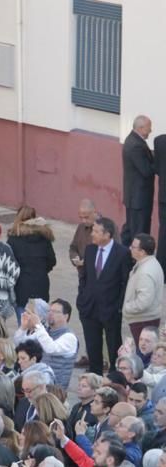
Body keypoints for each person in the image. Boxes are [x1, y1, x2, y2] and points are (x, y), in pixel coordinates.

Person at [77, 216, 131, 376]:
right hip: (89, 308)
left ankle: (115, 376)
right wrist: (82, 298)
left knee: (114, 345)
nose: (92, 234)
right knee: (93, 346)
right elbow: (85, 276)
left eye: (96, 231)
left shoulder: (122, 253)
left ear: (107, 235)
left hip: (111, 309)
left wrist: (118, 306)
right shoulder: (90, 250)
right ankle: (95, 376)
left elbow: (124, 282)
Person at [13, 298, 79, 390]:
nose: (51, 314)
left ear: (66, 316)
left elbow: (50, 348)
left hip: (55, 391)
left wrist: (38, 325)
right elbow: (21, 345)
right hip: (38, 385)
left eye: (55, 312)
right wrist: (23, 328)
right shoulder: (44, 332)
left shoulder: (69, 337)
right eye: (49, 311)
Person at [7, 206, 56, 317]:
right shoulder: (44, 238)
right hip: (41, 284)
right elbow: (52, 260)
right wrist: (42, 270)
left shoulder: (14, 239)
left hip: (21, 286)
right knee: (40, 324)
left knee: (23, 325)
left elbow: (9, 264)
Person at [123, 233, 164, 345]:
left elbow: (143, 302)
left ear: (142, 252)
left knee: (143, 355)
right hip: (147, 319)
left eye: (133, 247)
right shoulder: (151, 263)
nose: (130, 248)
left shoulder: (145, 272)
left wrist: (127, 308)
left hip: (142, 321)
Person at [123, 115, 154, 246]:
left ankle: (119, 257)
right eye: (149, 128)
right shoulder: (136, 145)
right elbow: (146, 170)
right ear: (141, 128)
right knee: (138, 233)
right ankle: (134, 260)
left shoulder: (132, 140)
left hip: (134, 197)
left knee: (129, 230)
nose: (150, 131)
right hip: (139, 199)